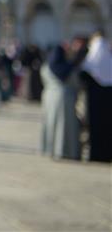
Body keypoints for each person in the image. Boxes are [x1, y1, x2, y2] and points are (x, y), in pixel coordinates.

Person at [40, 38, 87, 160]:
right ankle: (66, 151)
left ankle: (50, 149)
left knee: (51, 125)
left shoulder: (46, 66)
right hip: (66, 98)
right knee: (65, 127)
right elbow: (76, 83)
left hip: (48, 98)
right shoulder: (69, 68)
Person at [80, 31, 112, 162]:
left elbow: (83, 74)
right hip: (108, 99)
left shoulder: (91, 61)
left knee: (95, 127)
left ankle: (96, 155)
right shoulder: (109, 59)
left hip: (94, 100)